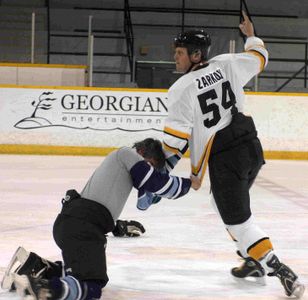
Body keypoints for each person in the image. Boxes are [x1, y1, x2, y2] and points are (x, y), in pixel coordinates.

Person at [158, 11, 305, 299]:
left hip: (227, 158)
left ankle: (281, 270)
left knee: (238, 221)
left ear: (196, 54)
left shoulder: (180, 89)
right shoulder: (228, 63)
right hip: (251, 147)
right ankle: (253, 260)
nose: (175, 57)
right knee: (222, 204)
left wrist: (155, 167)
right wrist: (250, 34)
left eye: (179, 52)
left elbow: (174, 143)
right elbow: (260, 56)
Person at [2, 138, 201, 300]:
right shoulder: (127, 154)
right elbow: (155, 183)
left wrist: (118, 226)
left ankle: (35, 266)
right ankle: (42, 287)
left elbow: (134, 201)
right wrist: (189, 183)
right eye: (150, 166)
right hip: (83, 228)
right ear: (142, 154)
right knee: (92, 286)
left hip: (76, 224)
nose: (149, 170)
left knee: (93, 276)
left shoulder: (120, 164)